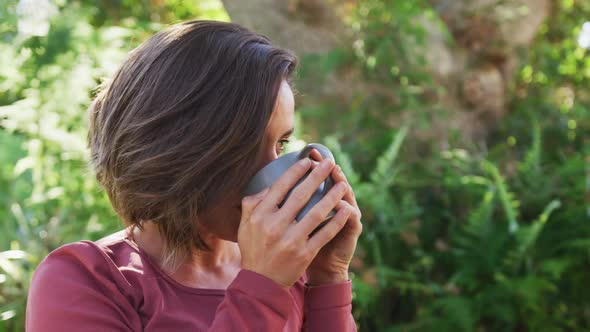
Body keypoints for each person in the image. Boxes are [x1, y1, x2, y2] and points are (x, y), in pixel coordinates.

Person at [25, 20, 362, 331]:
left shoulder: (288, 268)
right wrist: (262, 288)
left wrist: (328, 276)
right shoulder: (86, 281)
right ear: (178, 149)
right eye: (246, 147)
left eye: (282, 143)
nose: (274, 171)